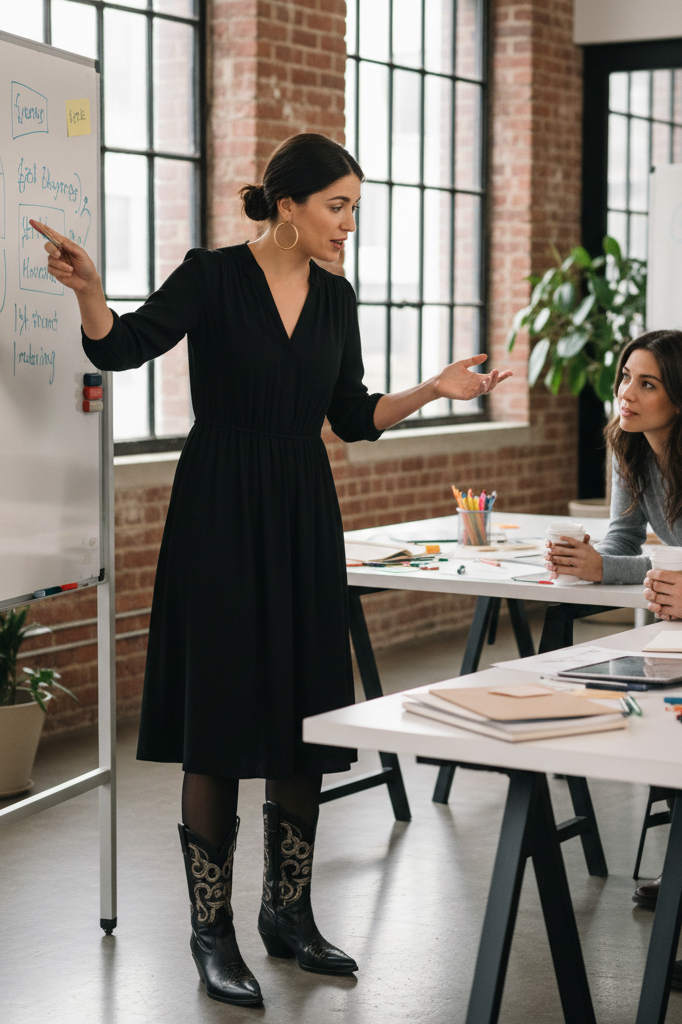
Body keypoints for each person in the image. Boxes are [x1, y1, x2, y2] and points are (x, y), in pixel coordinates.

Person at [42, 133, 512, 1007]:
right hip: (219, 502)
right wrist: (92, 294)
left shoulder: (337, 299)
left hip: (302, 503)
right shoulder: (212, 276)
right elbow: (121, 348)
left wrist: (436, 389)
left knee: (307, 708)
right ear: (288, 206)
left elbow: (353, 417)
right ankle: (211, 932)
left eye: (356, 210)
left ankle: (288, 915)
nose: (350, 226)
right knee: (221, 713)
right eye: (338, 207)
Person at [544, 329, 682, 962]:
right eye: (626, 377)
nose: (626, 394)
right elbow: (628, 552)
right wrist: (595, 565)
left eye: (647, 383)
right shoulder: (629, 448)